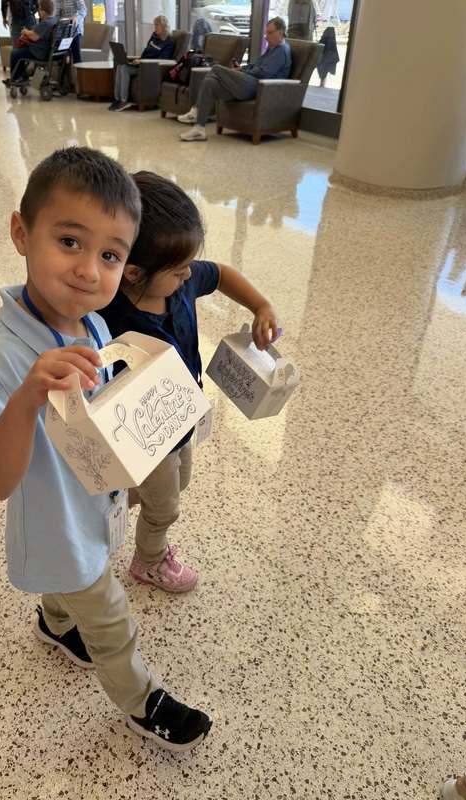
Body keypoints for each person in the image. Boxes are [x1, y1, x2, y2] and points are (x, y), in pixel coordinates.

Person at [0, 147, 213, 753]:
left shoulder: (92, 324)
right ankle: (141, 699)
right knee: (110, 616)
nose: (89, 271)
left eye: (110, 255)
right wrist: (26, 399)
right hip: (55, 520)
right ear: (21, 232)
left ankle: (53, 620)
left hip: (95, 501)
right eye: (69, 241)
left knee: (76, 583)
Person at [99, 171, 280, 592]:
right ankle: (150, 560)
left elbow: (221, 273)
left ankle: (113, 501)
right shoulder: (107, 311)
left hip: (180, 417)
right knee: (165, 505)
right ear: (133, 272)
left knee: (179, 479)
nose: (188, 276)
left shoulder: (179, 283)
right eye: (179, 271)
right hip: (141, 432)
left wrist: (261, 304)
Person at [178, 16, 291, 141]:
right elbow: (255, 65)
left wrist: (242, 71)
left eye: (269, 33)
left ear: (280, 33)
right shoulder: (272, 48)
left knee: (216, 69)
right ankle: (199, 129)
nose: (266, 36)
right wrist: (241, 68)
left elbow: (263, 73)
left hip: (259, 87)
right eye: (266, 32)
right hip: (249, 82)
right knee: (210, 83)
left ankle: (196, 110)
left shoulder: (282, 51)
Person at [109, 14, 174, 112]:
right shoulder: (154, 36)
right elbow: (146, 52)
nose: (155, 27)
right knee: (120, 66)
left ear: (164, 27)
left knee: (125, 69)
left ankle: (124, 101)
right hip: (142, 64)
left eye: (157, 25)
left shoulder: (169, 42)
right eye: (154, 25)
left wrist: (142, 61)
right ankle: (117, 99)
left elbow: (163, 59)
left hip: (151, 68)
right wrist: (139, 59)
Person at [4, 0, 56, 85]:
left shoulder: (45, 23)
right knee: (21, 51)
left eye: (39, 9)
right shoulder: (53, 20)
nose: (38, 11)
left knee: (15, 53)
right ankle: (23, 76)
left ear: (43, 11)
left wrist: (25, 31)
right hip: (48, 51)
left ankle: (16, 78)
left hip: (39, 53)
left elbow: (34, 37)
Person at [55, 0, 86, 65]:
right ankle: (64, 73)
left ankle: (80, 73)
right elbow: (57, 15)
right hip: (63, 31)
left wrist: (76, 18)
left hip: (75, 30)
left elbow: (83, 11)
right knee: (61, 57)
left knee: (76, 56)